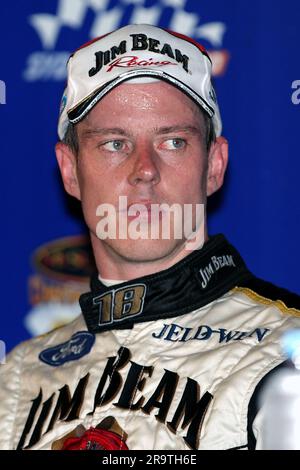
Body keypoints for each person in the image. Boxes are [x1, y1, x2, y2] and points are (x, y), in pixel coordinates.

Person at [0, 24, 299, 451]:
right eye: (114, 144)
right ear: (70, 171)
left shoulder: (286, 355)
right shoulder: (16, 380)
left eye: (174, 142)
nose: (144, 169)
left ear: (214, 166)